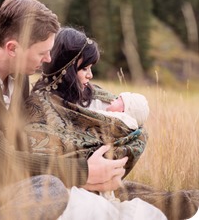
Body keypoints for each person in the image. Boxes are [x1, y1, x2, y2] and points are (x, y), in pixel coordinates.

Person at [0, 0, 128, 220]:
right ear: (12, 48)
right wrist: (80, 171)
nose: (48, 58)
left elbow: (17, 153)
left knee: (52, 189)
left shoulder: (19, 81)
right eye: (42, 53)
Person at [25, 27, 167, 219]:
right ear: (65, 70)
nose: (90, 75)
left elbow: (129, 125)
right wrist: (84, 172)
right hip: (67, 191)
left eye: (91, 68)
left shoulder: (90, 95)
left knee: (172, 200)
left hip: (104, 182)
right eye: (84, 68)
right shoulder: (37, 107)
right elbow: (39, 163)